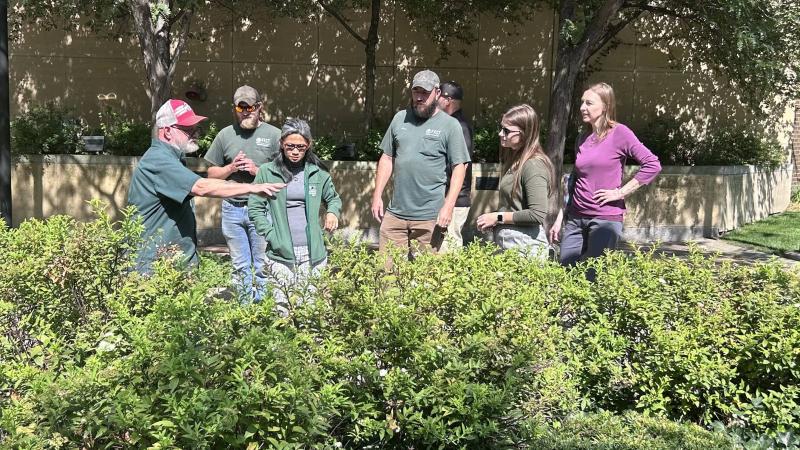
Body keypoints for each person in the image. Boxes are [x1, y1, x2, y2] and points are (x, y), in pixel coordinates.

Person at [127, 99, 285, 274]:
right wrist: (253, 188)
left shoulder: (173, 158)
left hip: (169, 264)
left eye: (196, 128)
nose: (195, 133)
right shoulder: (158, 160)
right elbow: (201, 187)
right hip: (154, 267)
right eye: (187, 129)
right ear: (167, 131)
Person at [549, 82, 662, 273]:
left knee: (593, 276)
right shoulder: (582, 138)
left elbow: (652, 165)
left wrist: (620, 193)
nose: (582, 107)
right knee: (565, 273)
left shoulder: (620, 133)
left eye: (589, 103)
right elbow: (574, 181)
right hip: (576, 218)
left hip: (604, 219)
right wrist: (560, 218)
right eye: (582, 102)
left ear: (605, 106)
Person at [371, 69, 470, 256]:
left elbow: (460, 167)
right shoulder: (400, 118)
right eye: (416, 91)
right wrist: (377, 196)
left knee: (426, 279)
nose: (419, 97)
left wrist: (448, 207)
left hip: (430, 217)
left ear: (437, 93)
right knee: (387, 276)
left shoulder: (450, 125)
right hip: (395, 215)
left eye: (425, 93)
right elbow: (387, 157)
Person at [248, 118, 341, 310]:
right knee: (284, 308)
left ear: (308, 146)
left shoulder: (318, 173)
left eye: (301, 146)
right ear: (281, 144)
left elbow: (333, 198)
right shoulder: (267, 172)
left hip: (313, 252)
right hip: (280, 252)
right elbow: (255, 207)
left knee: (311, 307)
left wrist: (332, 212)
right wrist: (271, 235)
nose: (295, 151)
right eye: (290, 146)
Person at [204, 85, 282, 301]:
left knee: (263, 263)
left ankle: (265, 309)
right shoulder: (225, 135)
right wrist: (231, 168)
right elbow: (210, 174)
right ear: (235, 109)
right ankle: (244, 310)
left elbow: (286, 177)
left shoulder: (275, 135)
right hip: (232, 209)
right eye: (241, 107)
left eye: (251, 107)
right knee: (239, 264)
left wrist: (257, 171)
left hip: (263, 208)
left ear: (260, 107)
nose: (247, 111)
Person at [476, 104, 554, 258]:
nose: (500, 133)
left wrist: (497, 217)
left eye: (506, 131)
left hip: (525, 247)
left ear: (524, 134)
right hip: (513, 244)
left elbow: (537, 214)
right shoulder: (516, 160)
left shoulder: (533, 164)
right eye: (501, 128)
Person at [436, 80, 474, 251]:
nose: (434, 100)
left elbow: (461, 165)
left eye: (437, 95)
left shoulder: (460, 127)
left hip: (454, 202)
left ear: (447, 100)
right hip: (445, 200)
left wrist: (448, 204)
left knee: (448, 249)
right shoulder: (448, 123)